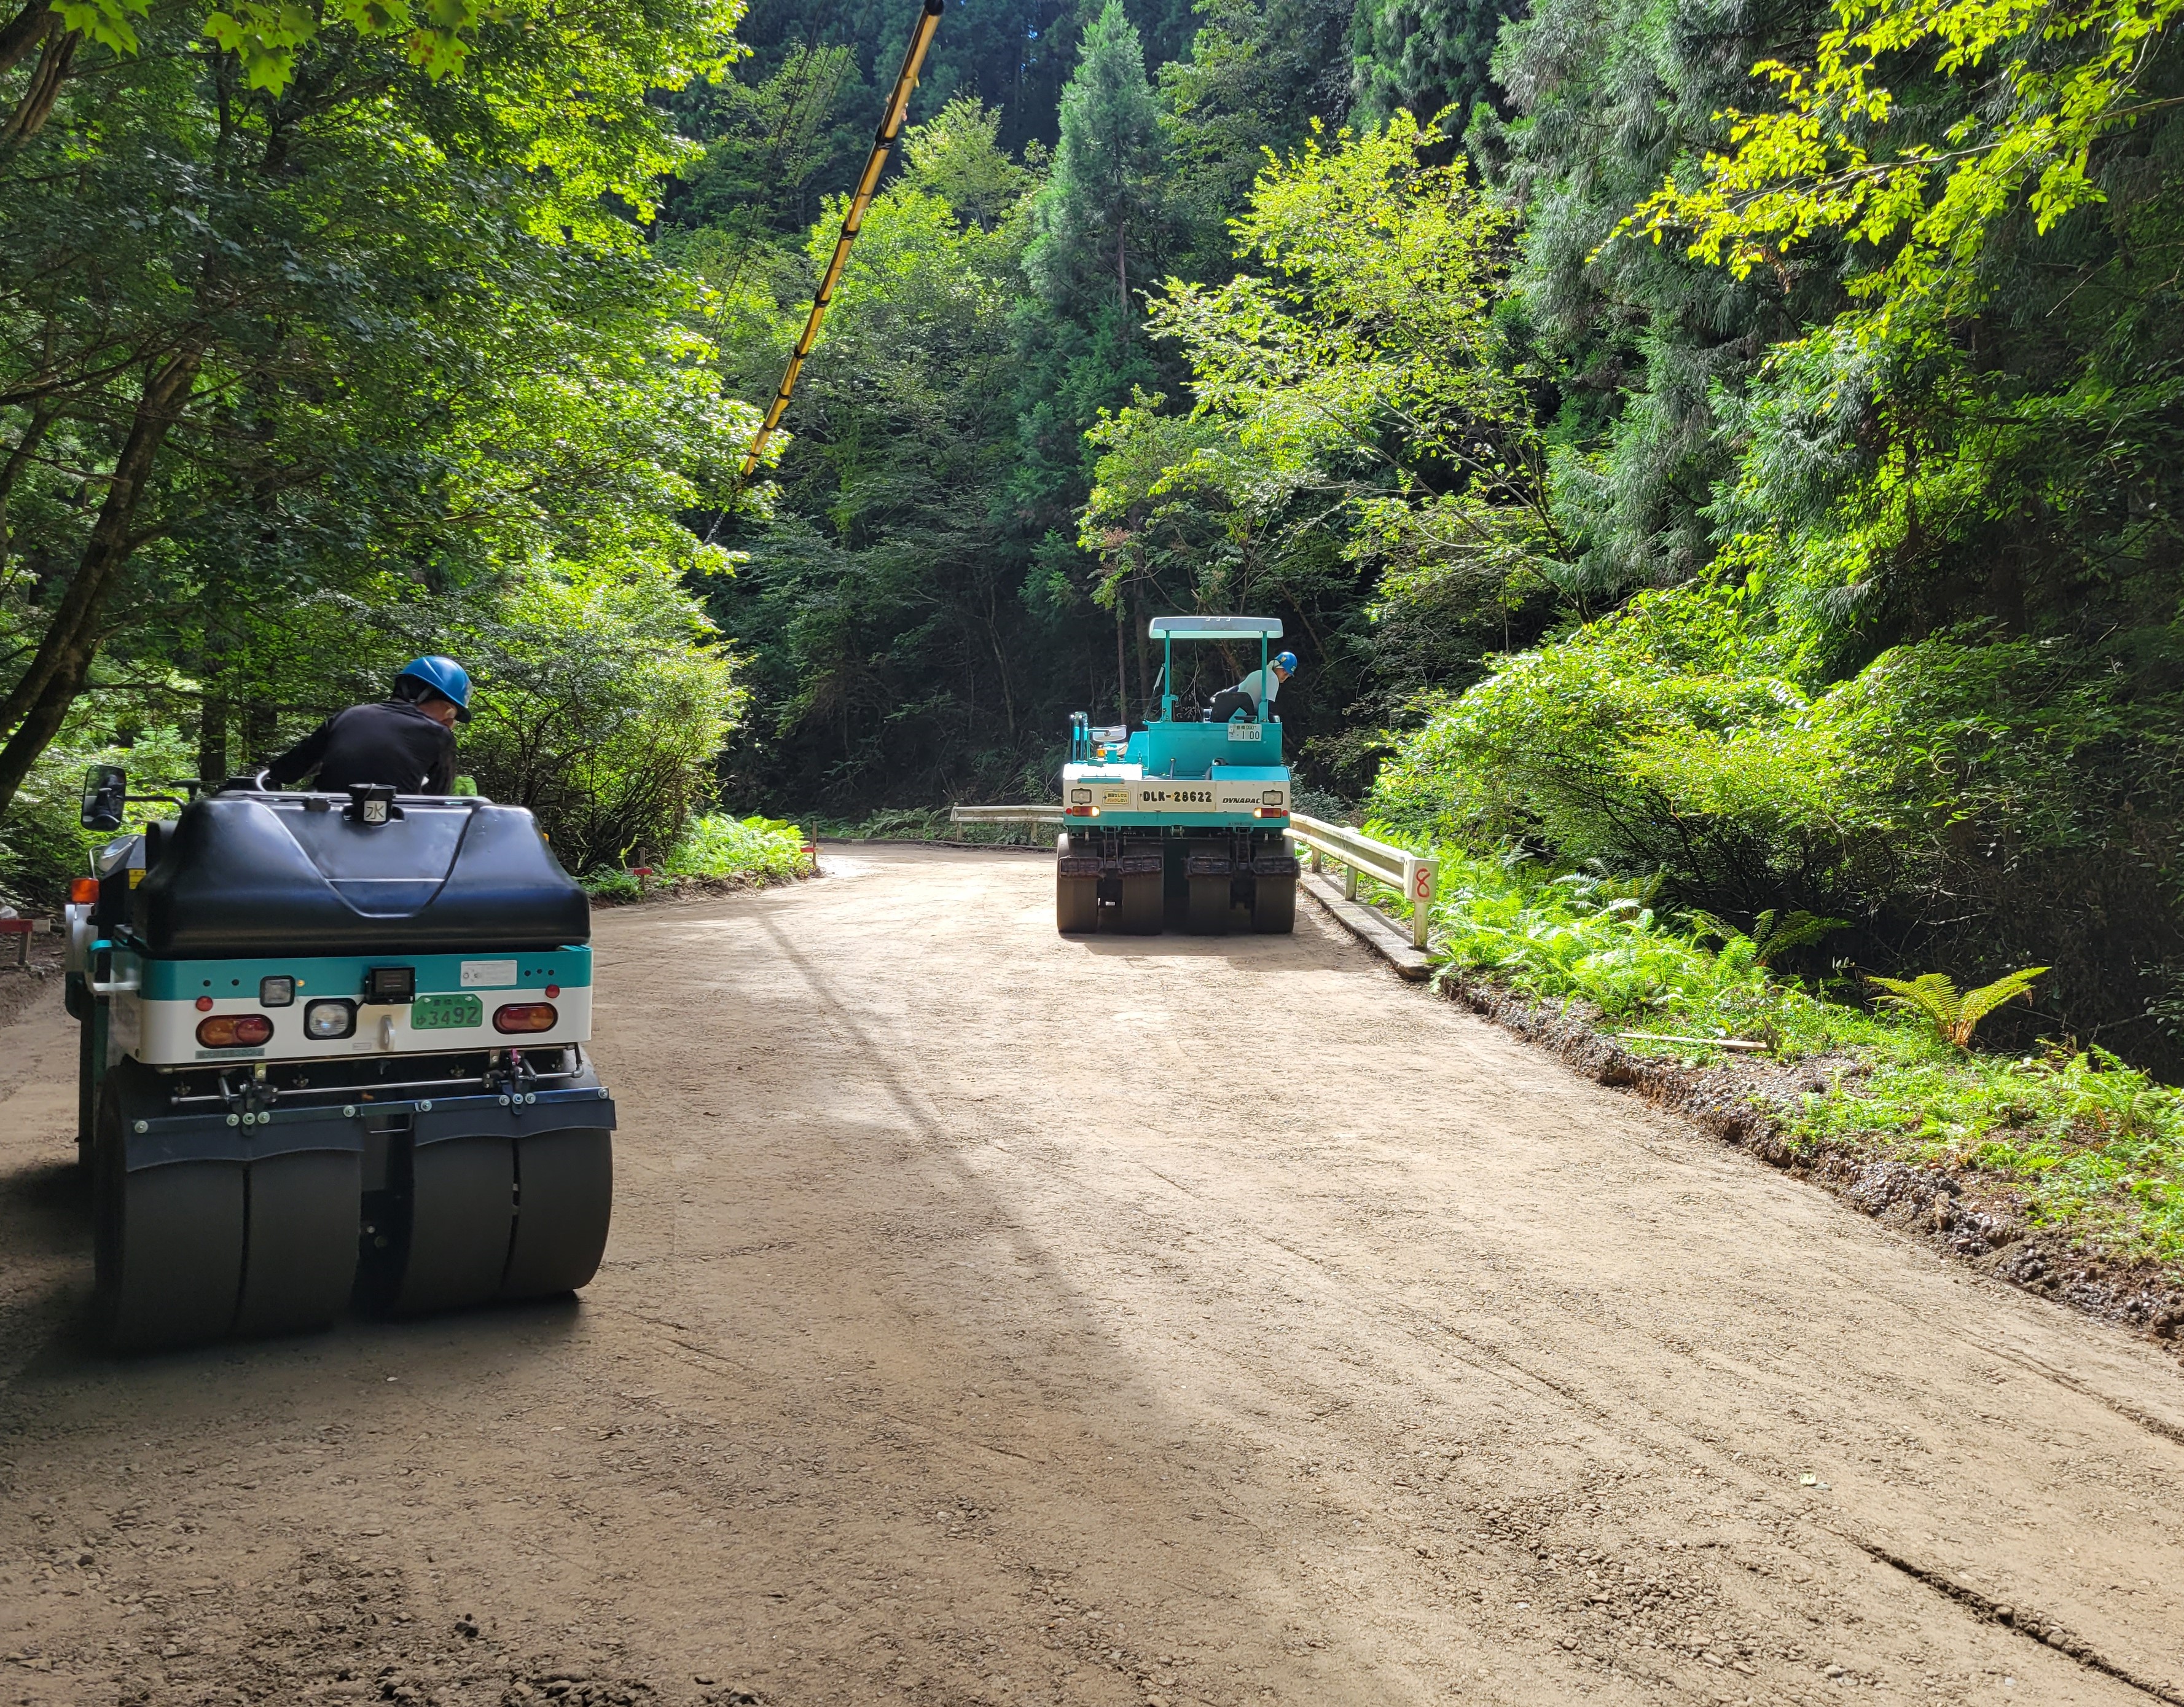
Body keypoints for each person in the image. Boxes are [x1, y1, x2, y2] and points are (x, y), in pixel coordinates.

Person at [265, 656, 473, 795]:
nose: (449, 723)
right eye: (449, 712)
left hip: (323, 831)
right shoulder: (439, 736)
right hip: (396, 839)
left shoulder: (348, 716)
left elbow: (286, 771)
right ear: (419, 694)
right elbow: (438, 802)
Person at [1207, 651, 1297, 723]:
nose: (1285, 676)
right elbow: (1266, 708)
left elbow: (1236, 690)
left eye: (1288, 675)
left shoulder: (1256, 673)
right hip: (1245, 718)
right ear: (1276, 666)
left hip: (1232, 715)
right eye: (1284, 671)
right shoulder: (1273, 678)